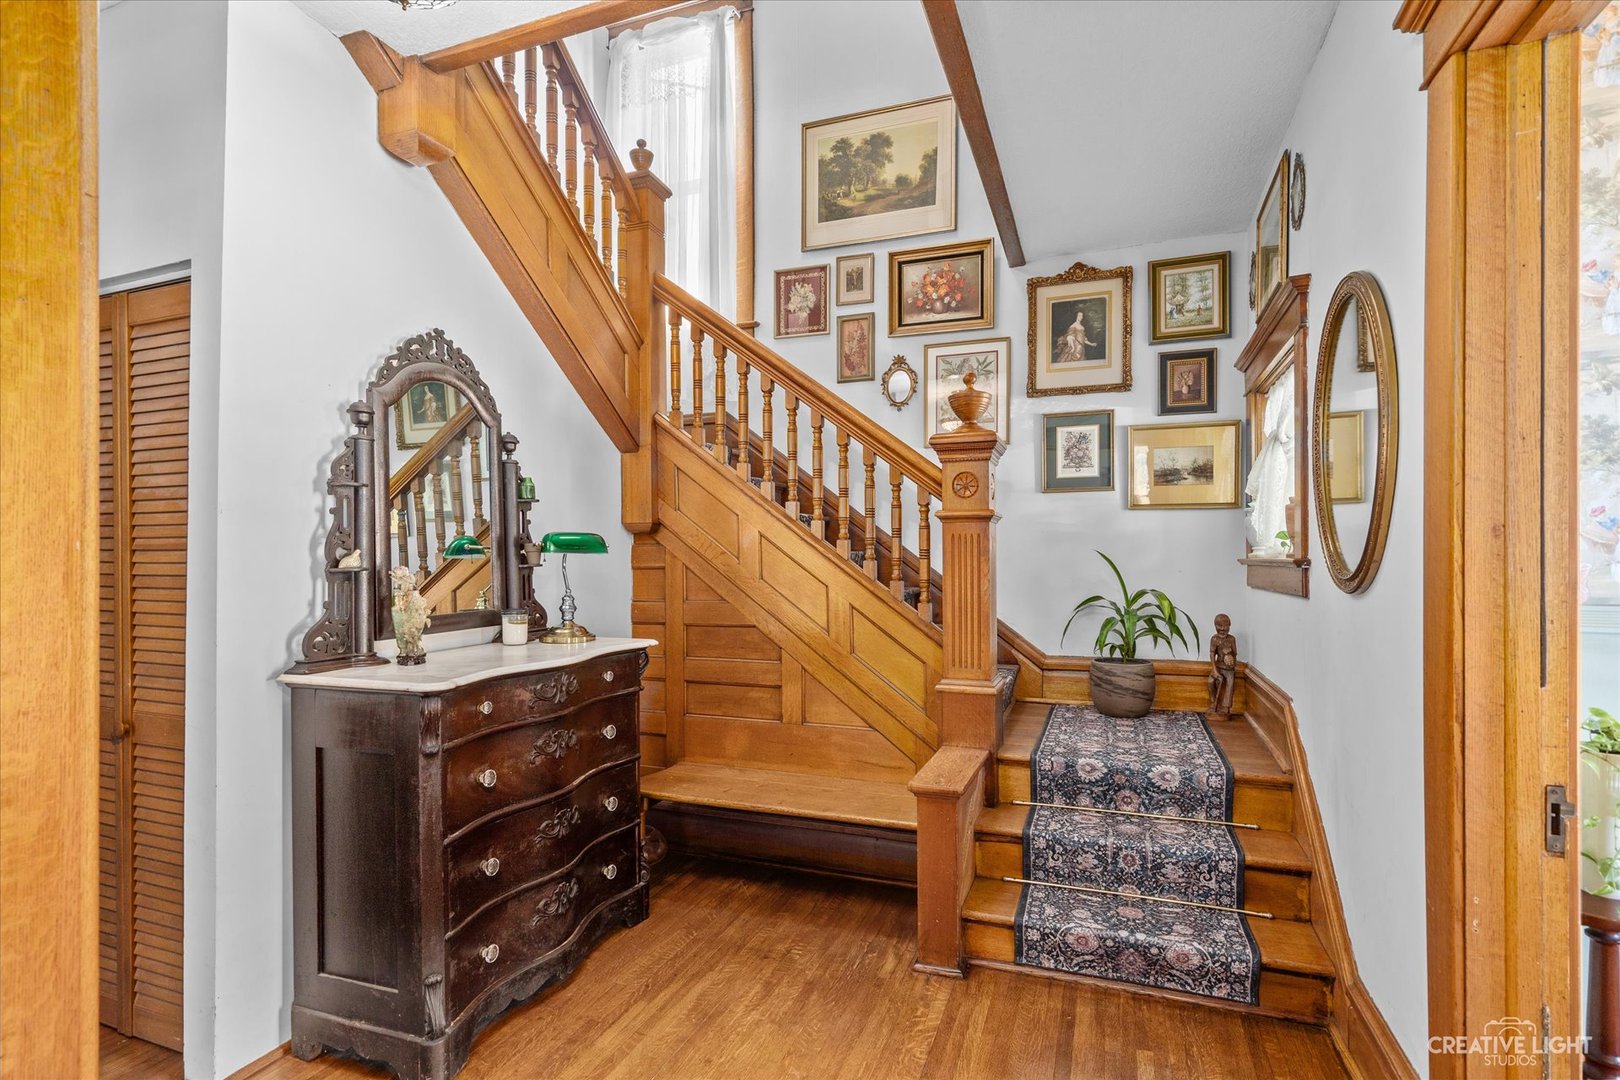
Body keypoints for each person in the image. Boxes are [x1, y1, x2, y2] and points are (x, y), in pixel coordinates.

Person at [1207, 613, 1237, 719]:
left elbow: (1235, 654)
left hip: (1228, 668)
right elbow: (1212, 654)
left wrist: (1229, 655)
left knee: (1230, 682)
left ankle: (1226, 706)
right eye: (1219, 625)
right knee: (1210, 681)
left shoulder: (1231, 639)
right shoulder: (1214, 639)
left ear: (1229, 625)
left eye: (1225, 625)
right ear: (1215, 626)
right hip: (1218, 666)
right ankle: (1213, 702)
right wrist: (1214, 670)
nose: (1222, 629)